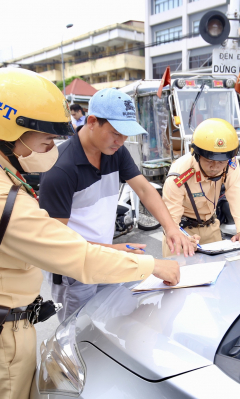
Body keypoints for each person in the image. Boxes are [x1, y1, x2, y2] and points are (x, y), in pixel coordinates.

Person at [0, 68, 180, 399]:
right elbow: (74, 255)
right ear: (13, 128)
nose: (48, 146)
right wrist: (153, 266)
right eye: (44, 137)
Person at [39, 88, 194, 322]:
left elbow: (144, 189)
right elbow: (55, 242)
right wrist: (113, 251)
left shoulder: (115, 152)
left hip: (104, 256)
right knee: (78, 330)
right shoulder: (61, 169)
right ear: (92, 122)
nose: (121, 141)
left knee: (110, 322)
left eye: (125, 135)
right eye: (115, 133)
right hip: (74, 270)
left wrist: (171, 228)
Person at [162, 118, 240, 257]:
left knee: (219, 272)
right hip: (182, 230)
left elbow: (236, 196)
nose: (215, 167)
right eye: (210, 161)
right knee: (179, 274)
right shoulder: (179, 173)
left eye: (221, 162)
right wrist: (180, 236)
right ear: (197, 155)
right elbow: (170, 217)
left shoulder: (230, 163)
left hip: (211, 228)